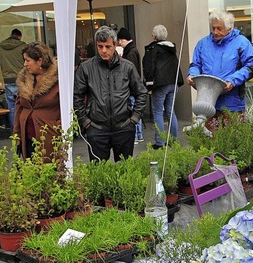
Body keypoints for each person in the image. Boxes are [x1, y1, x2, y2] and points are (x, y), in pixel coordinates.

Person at [73, 25, 147, 163]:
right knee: (99, 175)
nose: (103, 51)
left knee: (125, 172)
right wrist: (85, 121)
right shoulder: (86, 68)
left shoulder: (127, 67)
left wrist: (135, 118)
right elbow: (76, 96)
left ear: (115, 45)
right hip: (97, 128)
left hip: (123, 127)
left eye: (107, 46)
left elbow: (141, 93)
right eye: (100, 47)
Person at [187, 9, 253, 130]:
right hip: (207, 103)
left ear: (230, 28)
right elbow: (195, 64)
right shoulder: (203, 43)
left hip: (232, 104)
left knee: (233, 142)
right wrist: (192, 75)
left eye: (219, 28)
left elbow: (252, 67)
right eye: (213, 28)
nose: (215, 32)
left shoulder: (241, 43)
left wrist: (233, 80)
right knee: (208, 142)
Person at [15, 41, 61, 160]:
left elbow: (67, 106)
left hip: (49, 136)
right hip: (27, 136)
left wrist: (59, 127)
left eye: (28, 60)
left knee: (49, 170)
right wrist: (17, 133)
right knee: (30, 170)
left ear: (39, 61)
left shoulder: (58, 79)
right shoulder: (24, 80)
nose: (25, 64)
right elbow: (18, 107)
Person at [143, 24, 185, 150]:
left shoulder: (153, 49)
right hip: (173, 82)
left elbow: (149, 68)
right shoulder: (171, 49)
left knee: (157, 112)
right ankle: (174, 140)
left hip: (160, 84)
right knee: (171, 112)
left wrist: (149, 86)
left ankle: (160, 142)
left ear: (154, 36)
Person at [0, 29, 26, 131]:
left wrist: (3, 61)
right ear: (19, 37)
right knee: (25, 105)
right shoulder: (23, 46)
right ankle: (24, 129)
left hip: (8, 81)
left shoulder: (0, 46)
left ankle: (14, 131)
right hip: (21, 80)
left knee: (12, 107)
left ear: (10, 35)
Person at [117, 27, 144, 145]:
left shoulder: (131, 52)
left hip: (132, 88)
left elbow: (130, 71)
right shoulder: (133, 50)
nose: (118, 43)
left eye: (120, 40)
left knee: (134, 110)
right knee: (136, 110)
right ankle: (139, 135)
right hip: (134, 86)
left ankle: (137, 136)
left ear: (123, 40)